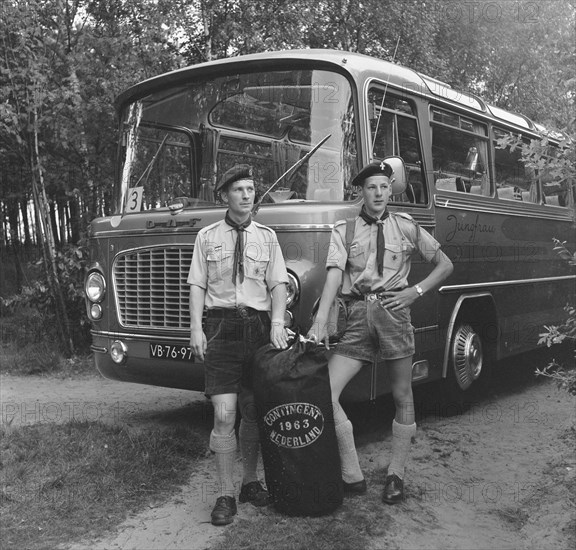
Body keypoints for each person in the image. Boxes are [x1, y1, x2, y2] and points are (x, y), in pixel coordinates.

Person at [308, 159, 453, 504]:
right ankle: (352, 474)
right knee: (326, 393)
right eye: (371, 187)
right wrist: (320, 320)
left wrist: (414, 292)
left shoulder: (406, 227)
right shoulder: (343, 230)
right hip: (357, 314)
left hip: (393, 314)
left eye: (383, 187)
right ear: (361, 191)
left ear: (391, 190)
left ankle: (396, 474)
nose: (377, 194)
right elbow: (332, 277)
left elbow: (445, 265)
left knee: (403, 396)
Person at [188, 164, 289, 526]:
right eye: (239, 190)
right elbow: (198, 285)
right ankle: (225, 493)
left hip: (259, 328)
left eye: (251, 189)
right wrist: (195, 328)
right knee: (224, 414)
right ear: (225, 196)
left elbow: (279, 285)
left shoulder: (268, 236)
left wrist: (277, 322)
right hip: (220, 327)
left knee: (253, 411)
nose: (247, 195)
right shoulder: (207, 237)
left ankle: (250, 482)